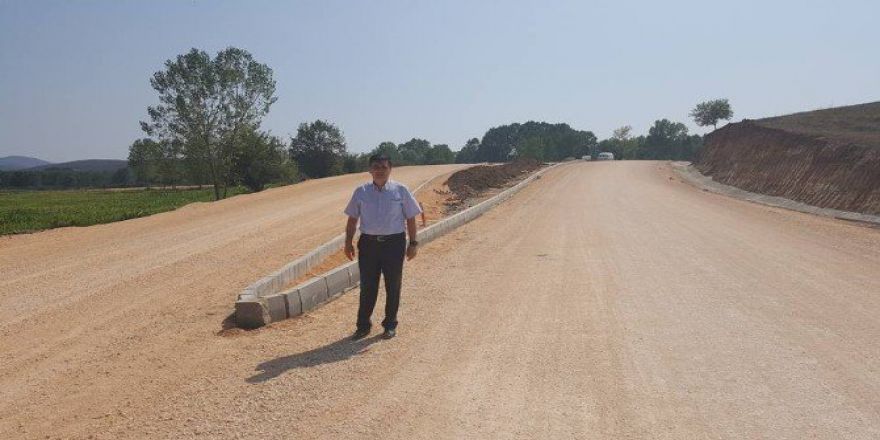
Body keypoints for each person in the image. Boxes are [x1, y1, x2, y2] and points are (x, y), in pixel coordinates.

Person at [344, 154, 422, 340]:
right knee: (367, 286)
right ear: (370, 170)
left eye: (384, 167)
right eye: (376, 167)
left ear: (390, 169)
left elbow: (411, 218)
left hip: (394, 244)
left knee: (393, 285)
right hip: (368, 244)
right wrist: (348, 242)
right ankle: (363, 326)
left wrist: (413, 243)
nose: (380, 170)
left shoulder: (401, 190)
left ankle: (390, 325)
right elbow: (352, 219)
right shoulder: (361, 192)